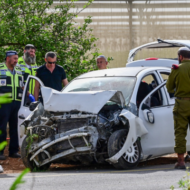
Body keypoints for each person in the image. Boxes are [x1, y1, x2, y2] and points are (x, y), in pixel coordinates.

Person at [166, 47, 190, 169]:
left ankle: (181, 162)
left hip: (182, 104)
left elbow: (169, 88)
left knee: (180, 132)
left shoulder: (177, 69)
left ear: (180, 57)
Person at [0, 51, 24, 160]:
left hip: (16, 102)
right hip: (4, 103)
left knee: (15, 127)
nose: (16, 61)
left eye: (17, 58)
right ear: (8, 58)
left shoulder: (19, 70)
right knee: (2, 128)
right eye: (14, 59)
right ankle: (0, 152)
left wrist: (30, 96)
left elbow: (22, 86)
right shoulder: (0, 68)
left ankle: (13, 151)